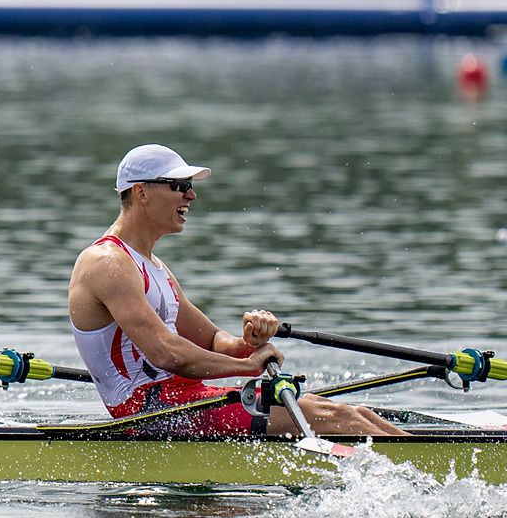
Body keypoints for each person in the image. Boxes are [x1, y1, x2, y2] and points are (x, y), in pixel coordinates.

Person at [68, 143, 403, 437]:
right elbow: (166, 353)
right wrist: (250, 365)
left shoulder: (153, 265)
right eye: (179, 185)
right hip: (150, 413)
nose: (191, 195)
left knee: (355, 414)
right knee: (335, 417)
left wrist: (247, 343)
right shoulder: (107, 263)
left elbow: (212, 340)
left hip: (184, 399)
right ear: (141, 193)